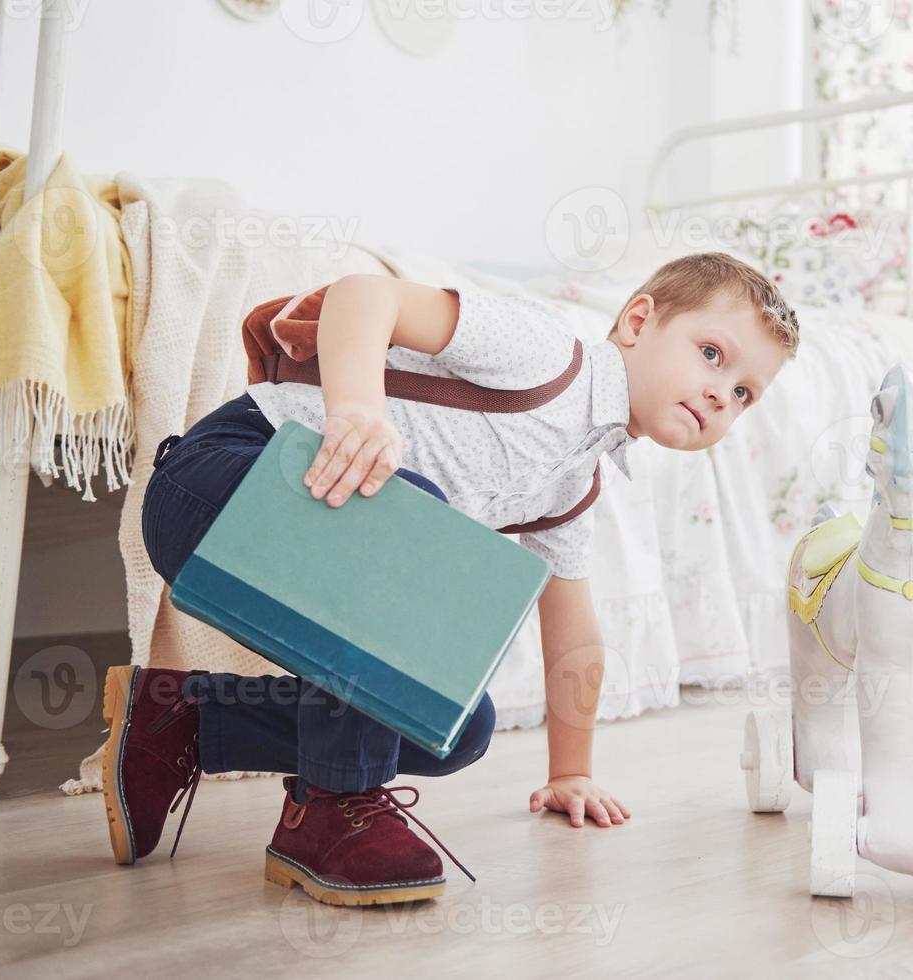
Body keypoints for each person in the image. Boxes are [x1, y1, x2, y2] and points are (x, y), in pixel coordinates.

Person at [106, 251, 800, 906]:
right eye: (710, 355)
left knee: (458, 724)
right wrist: (356, 409)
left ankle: (183, 720)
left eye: (742, 393)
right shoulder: (546, 355)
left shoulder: (572, 484)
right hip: (216, 487)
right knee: (409, 510)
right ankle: (330, 807)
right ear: (639, 321)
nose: (719, 393)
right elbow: (363, 293)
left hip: (295, 549)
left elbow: (572, 636)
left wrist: (570, 773)